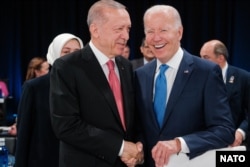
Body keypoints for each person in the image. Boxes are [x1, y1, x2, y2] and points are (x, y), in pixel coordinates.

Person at [134, 5, 235, 167]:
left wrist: (180, 143)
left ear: (179, 32)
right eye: (150, 31)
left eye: (163, 30)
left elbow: (224, 131)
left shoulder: (206, 72)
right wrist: (138, 145)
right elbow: (141, 127)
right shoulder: (140, 75)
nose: (156, 38)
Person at [50, 1, 143, 167]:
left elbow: (132, 118)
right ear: (95, 30)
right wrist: (120, 147)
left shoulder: (126, 66)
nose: (126, 36)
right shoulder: (67, 67)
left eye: (128, 29)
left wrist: (138, 147)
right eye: (119, 29)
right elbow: (66, 125)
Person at [14, 33, 83, 167]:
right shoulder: (34, 87)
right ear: (55, 53)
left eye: (77, 51)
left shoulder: (86, 87)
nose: (72, 56)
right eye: (66, 51)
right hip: (43, 160)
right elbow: (23, 133)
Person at [200, 39, 250, 147]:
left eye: (206, 57)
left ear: (220, 58)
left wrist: (241, 132)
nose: (201, 61)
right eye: (200, 57)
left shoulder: (243, 78)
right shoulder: (197, 78)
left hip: (234, 144)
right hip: (205, 143)